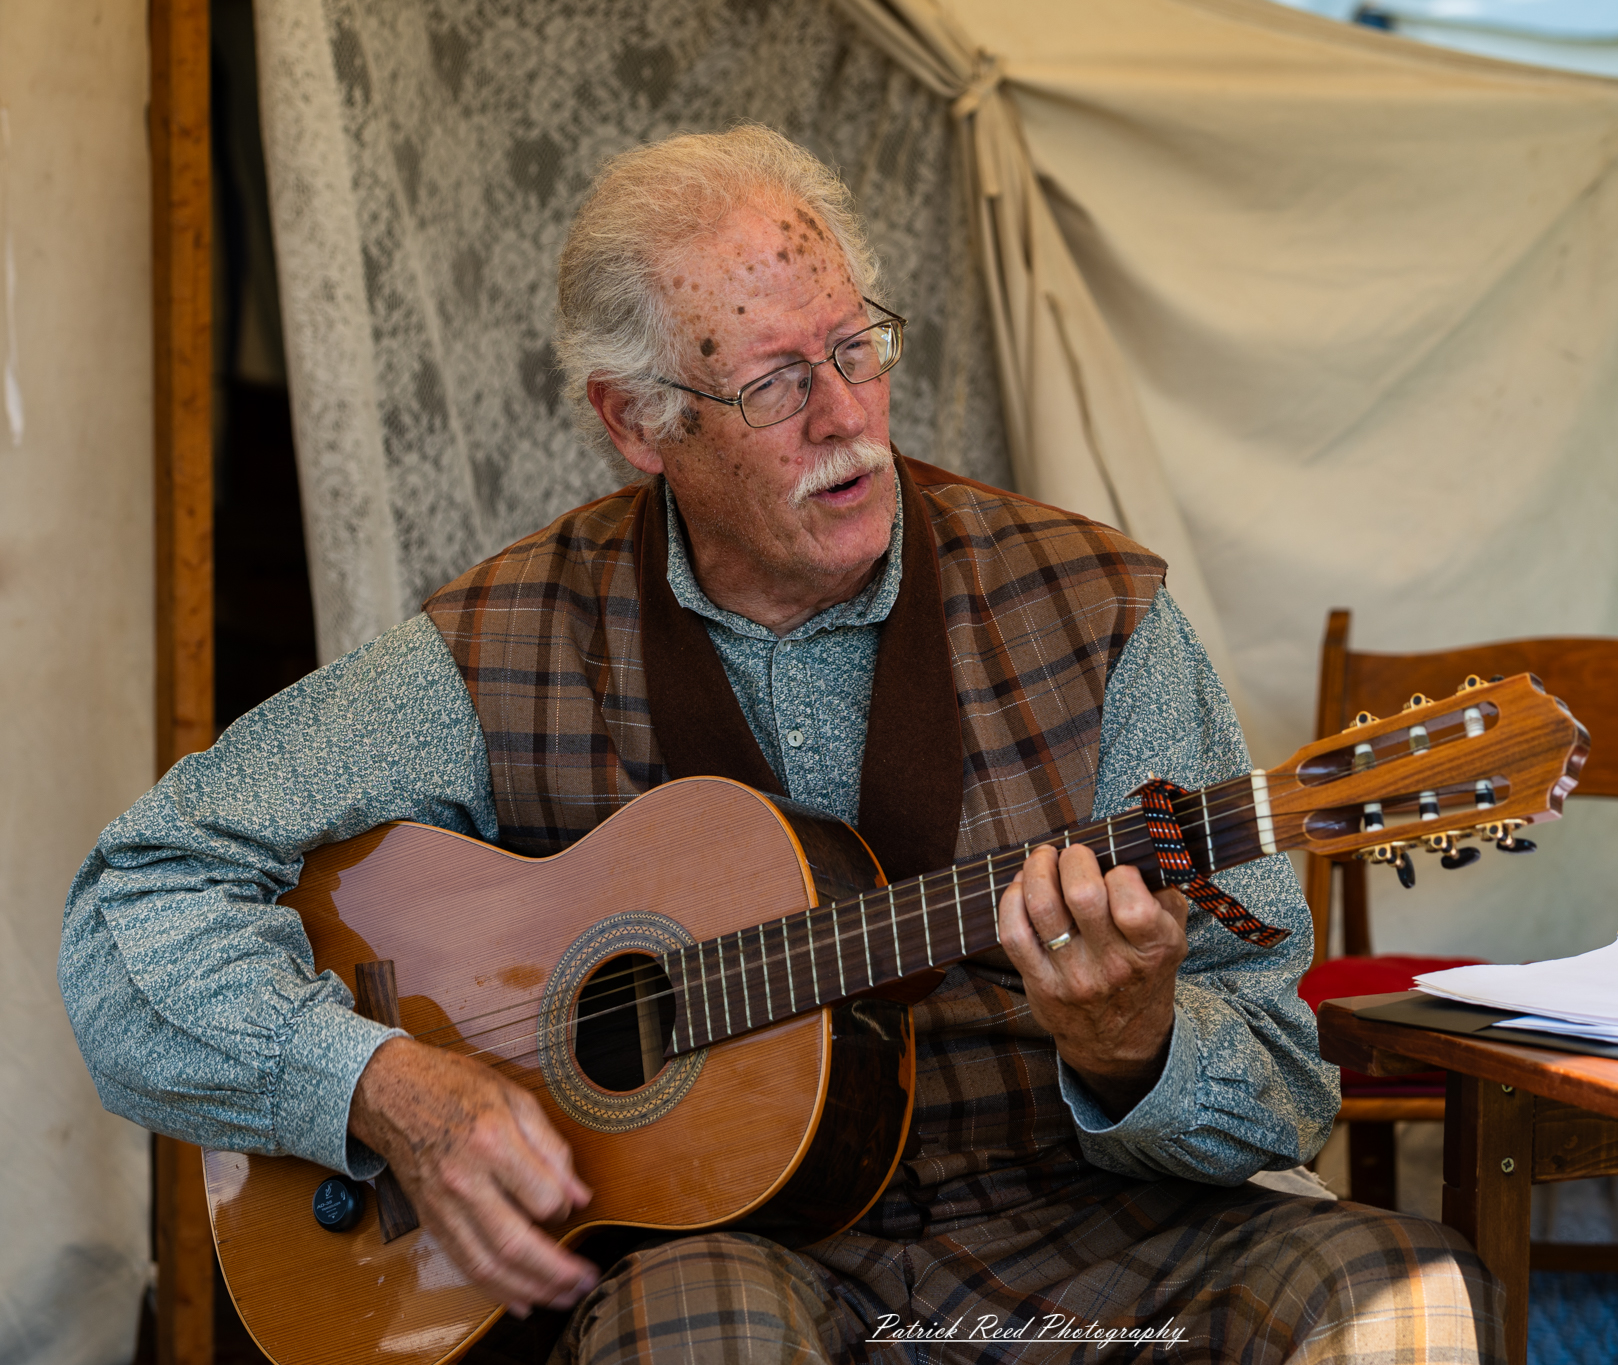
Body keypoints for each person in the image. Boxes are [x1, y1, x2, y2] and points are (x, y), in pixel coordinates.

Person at [61, 125, 1500, 1362]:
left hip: (1080, 1237)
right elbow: (133, 902)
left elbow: (1284, 1073)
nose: (850, 419)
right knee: (706, 1334)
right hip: (732, 1258)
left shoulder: (1101, 612)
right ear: (639, 421)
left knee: (1393, 1294)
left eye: (857, 348)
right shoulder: (495, 644)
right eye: (772, 383)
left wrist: (1135, 1048)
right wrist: (383, 1084)